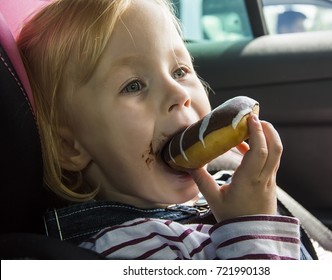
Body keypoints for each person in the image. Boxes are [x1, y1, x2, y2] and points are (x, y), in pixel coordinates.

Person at [17, 0, 302, 259]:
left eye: (180, 71)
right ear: (70, 146)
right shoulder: (132, 249)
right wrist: (251, 228)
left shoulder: (222, 187)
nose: (178, 93)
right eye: (133, 85)